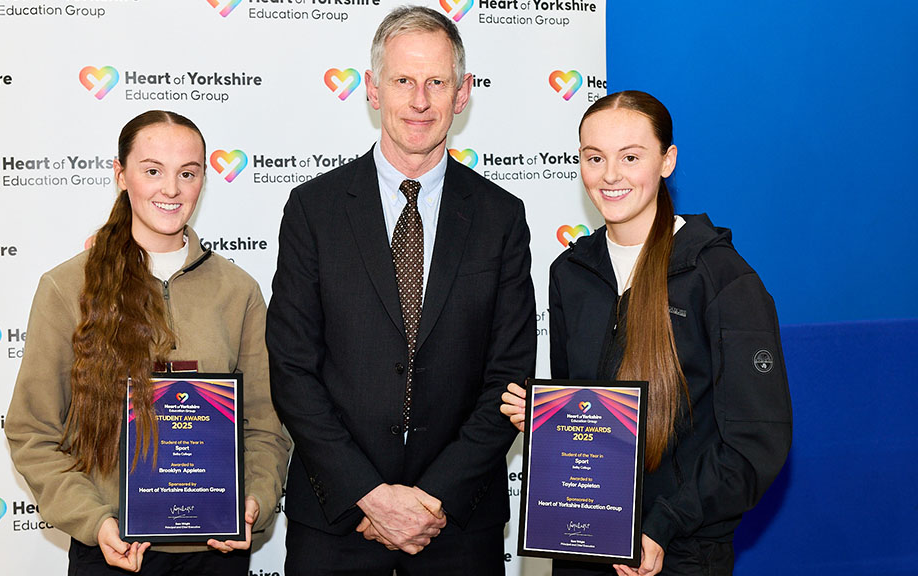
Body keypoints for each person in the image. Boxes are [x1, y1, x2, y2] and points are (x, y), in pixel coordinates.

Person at [266, 6, 537, 576]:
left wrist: (431, 500)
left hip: (458, 524)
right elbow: (292, 369)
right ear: (371, 89)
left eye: (437, 82)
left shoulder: (501, 217)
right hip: (337, 520)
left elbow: (509, 378)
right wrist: (370, 494)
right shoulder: (313, 211)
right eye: (403, 81)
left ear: (461, 95)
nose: (420, 101)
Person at [501, 91, 792, 576]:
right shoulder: (569, 272)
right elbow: (593, 419)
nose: (610, 175)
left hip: (680, 553)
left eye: (630, 157)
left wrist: (664, 524)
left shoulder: (720, 278)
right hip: (584, 547)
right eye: (594, 158)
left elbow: (755, 443)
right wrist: (550, 420)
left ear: (666, 161)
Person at [5, 110, 291, 575]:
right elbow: (32, 432)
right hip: (111, 552)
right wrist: (95, 521)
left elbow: (265, 425)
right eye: (152, 171)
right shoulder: (66, 288)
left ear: (203, 179)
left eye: (188, 173)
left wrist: (254, 499)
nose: (172, 189)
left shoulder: (239, 292)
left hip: (215, 554)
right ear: (121, 175)